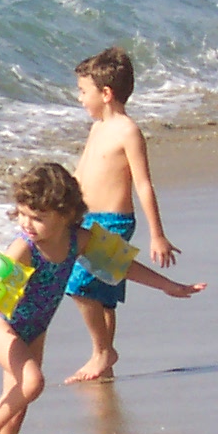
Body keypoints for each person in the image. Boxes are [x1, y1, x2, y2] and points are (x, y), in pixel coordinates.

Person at [0, 162, 203, 434]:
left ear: (66, 214)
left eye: (37, 217)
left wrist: (169, 286)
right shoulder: (23, 248)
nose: (27, 223)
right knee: (33, 382)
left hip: (35, 327)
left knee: (19, 403)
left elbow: (121, 264)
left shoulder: (78, 240)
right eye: (22, 213)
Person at [63, 47, 176, 384]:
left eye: (84, 91)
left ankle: (102, 352)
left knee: (80, 286)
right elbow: (82, 174)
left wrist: (157, 234)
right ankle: (105, 363)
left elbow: (143, 184)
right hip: (85, 219)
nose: (80, 98)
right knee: (103, 296)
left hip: (112, 221)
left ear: (106, 93)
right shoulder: (97, 128)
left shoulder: (127, 131)